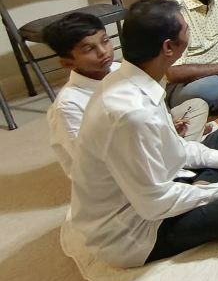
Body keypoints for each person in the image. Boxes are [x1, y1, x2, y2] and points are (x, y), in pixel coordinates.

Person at [64, 0, 218, 268]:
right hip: (138, 229)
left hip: (165, 184)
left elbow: (177, 149)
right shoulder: (131, 113)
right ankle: (203, 191)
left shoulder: (129, 78)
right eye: (186, 29)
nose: (189, 32)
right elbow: (155, 205)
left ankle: (200, 188)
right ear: (168, 47)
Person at [43, 11, 209, 177]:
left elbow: (149, 108)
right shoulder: (68, 107)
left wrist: (168, 127)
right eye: (89, 49)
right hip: (128, 170)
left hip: (152, 145)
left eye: (105, 40)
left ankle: (181, 153)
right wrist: (156, 140)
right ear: (67, 63)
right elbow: (91, 163)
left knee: (196, 106)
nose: (103, 51)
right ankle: (181, 160)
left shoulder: (120, 69)